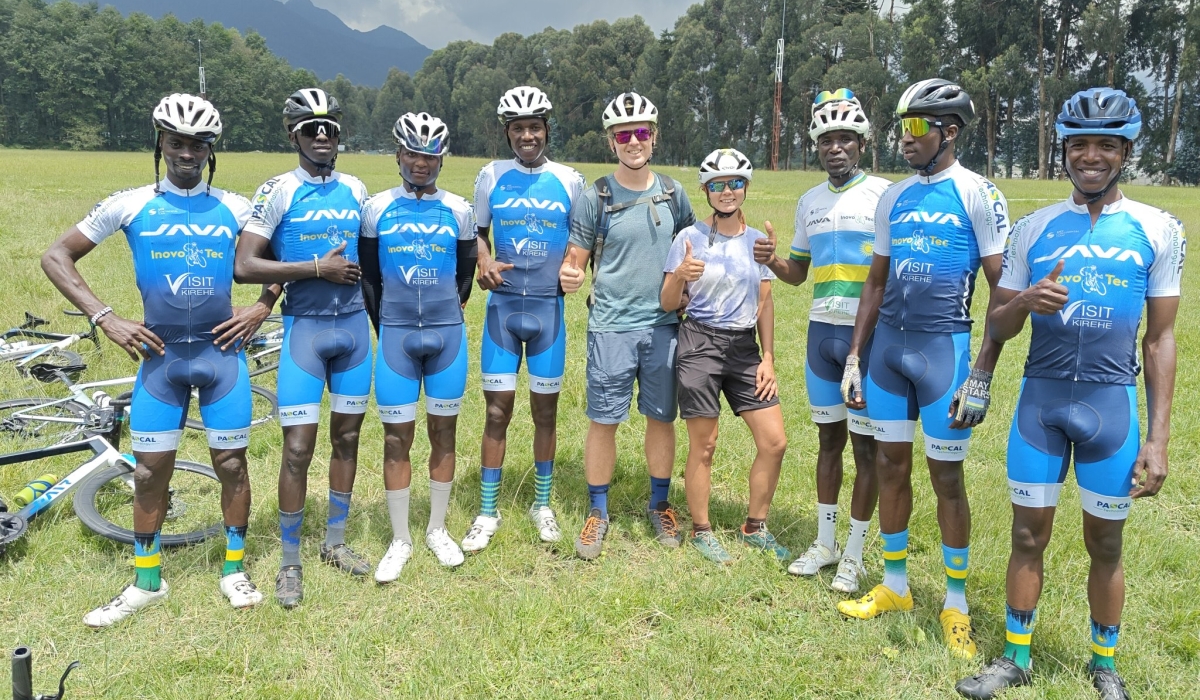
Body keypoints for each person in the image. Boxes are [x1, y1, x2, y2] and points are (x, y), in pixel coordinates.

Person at [956, 89, 1183, 700]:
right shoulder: (1033, 230)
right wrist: (1025, 302)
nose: (1091, 157)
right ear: (1064, 150)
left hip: (1112, 407)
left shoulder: (1158, 229)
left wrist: (1159, 440)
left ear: (1125, 153)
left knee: (1106, 542)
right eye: (1079, 145)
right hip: (1042, 403)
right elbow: (997, 325)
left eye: (1106, 145)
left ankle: (1104, 664)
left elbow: (1160, 340)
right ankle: (1015, 658)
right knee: (1027, 536)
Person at [42, 94, 271, 626]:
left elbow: (280, 256)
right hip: (160, 358)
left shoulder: (237, 208)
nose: (186, 153)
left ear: (211, 151)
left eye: (198, 145)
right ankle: (147, 582)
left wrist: (262, 305)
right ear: (160, 143)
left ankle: (234, 570)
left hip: (221, 355)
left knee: (232, 465)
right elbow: (56, 256)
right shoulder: (130, 203)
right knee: (148, 472)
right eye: (176, 142)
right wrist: (106, 318)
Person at [835, 78, 1011, 659]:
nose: (905, 139)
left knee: (946, 478)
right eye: (900, 128)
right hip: (888, 352)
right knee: (889, 465)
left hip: (944, 353)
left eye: (915, 128)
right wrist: (855, 357)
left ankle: (955, 603)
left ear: (949, 131)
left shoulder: (978, 193)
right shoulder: (894, 197)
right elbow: (875, 283)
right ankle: (895, 585)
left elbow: (1003, 290)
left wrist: (981, 371)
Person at [234, 88, 372, 607]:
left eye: (328, 128)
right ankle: (289, 561)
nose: (321, 136)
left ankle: (334, 541)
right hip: (304, 333)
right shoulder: (277, 190)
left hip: (354, 331)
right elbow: (246, 263)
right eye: (310, 129)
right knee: (297, 449)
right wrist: (313, 270)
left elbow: (368, 259)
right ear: (293, 136)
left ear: (339, 135)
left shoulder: (356, 188)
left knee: (348, 438)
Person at [755, 89, 888, 592]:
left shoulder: (884, 195)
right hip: (820, 335)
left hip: (866, 337)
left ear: (862, 144)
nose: (836, 148)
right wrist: (771, 259)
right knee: (828, 442)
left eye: (845, 139)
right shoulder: (809, 201)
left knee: (866, 448)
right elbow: (797, 273)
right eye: (826, 140)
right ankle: (826, 543)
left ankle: (854, 554)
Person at [558, 91, 695, 560]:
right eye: (623, 135)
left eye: (641, 132)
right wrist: (570, 275)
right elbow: (575, 259)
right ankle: (597, 512)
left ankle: (660, 504)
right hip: (611, 327)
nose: (633, 141)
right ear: (611, 142)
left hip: (663, 326)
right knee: (604, 420)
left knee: (661, 418)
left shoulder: (674, 193)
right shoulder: (595, 196)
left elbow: (693, 248)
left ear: (654, 136)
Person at [461, 86, 584, 553]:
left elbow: (582, 240)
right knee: (497, 411)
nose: (527, 136)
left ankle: (542, 504)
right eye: (518, 129)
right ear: (507, 133)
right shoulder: (491, 175)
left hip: (549, 309)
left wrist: (575, 269)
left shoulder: (569, 180)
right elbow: (477, 232)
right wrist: (483, 260)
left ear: (547, 130)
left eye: (535, 127)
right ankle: (487, 511)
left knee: (544, 413)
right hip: (503, 310)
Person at [357, 112, 477, 580]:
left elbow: (465, 275)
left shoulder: (459, 210)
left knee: (444, 434)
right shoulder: (377, 208)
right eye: (412, 154)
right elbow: (370, 278)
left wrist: (450, 310)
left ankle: (437, 529)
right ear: (398, 155)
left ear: (441, 160)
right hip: (396, 337)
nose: (420, 163)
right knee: (396, 438)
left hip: (447, 336)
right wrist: (385, 326)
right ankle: (401, 538)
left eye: (430, 156)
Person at [661, 148, 788, 565]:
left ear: (746, 187)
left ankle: (755, 526)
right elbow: (667, 304)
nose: (727, 191)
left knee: (774, 441)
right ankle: (702, 530)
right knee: (705, 444)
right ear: (706, 191)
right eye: (718, 184)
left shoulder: (757, 244)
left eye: (735, 183)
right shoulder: (688, 238)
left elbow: (765, 304)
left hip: (744, 348)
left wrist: (768, 358)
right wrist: (680, 276)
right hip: (699, 342)